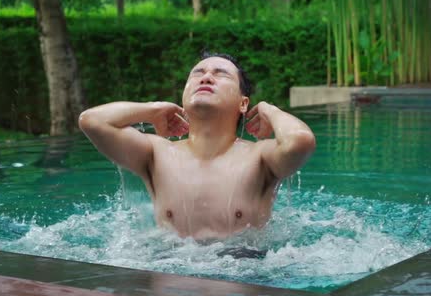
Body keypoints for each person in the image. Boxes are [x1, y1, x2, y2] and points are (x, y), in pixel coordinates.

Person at [79, 52, 315, 240]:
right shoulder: (155, 152)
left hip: (245, 270)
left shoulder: (260, 156)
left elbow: (300, 141)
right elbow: (92, 121)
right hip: (169, 267)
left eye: (220, 74)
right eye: (198, 73)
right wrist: (151, 109)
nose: (206, 77)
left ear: (243, 103)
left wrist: (268, 109)